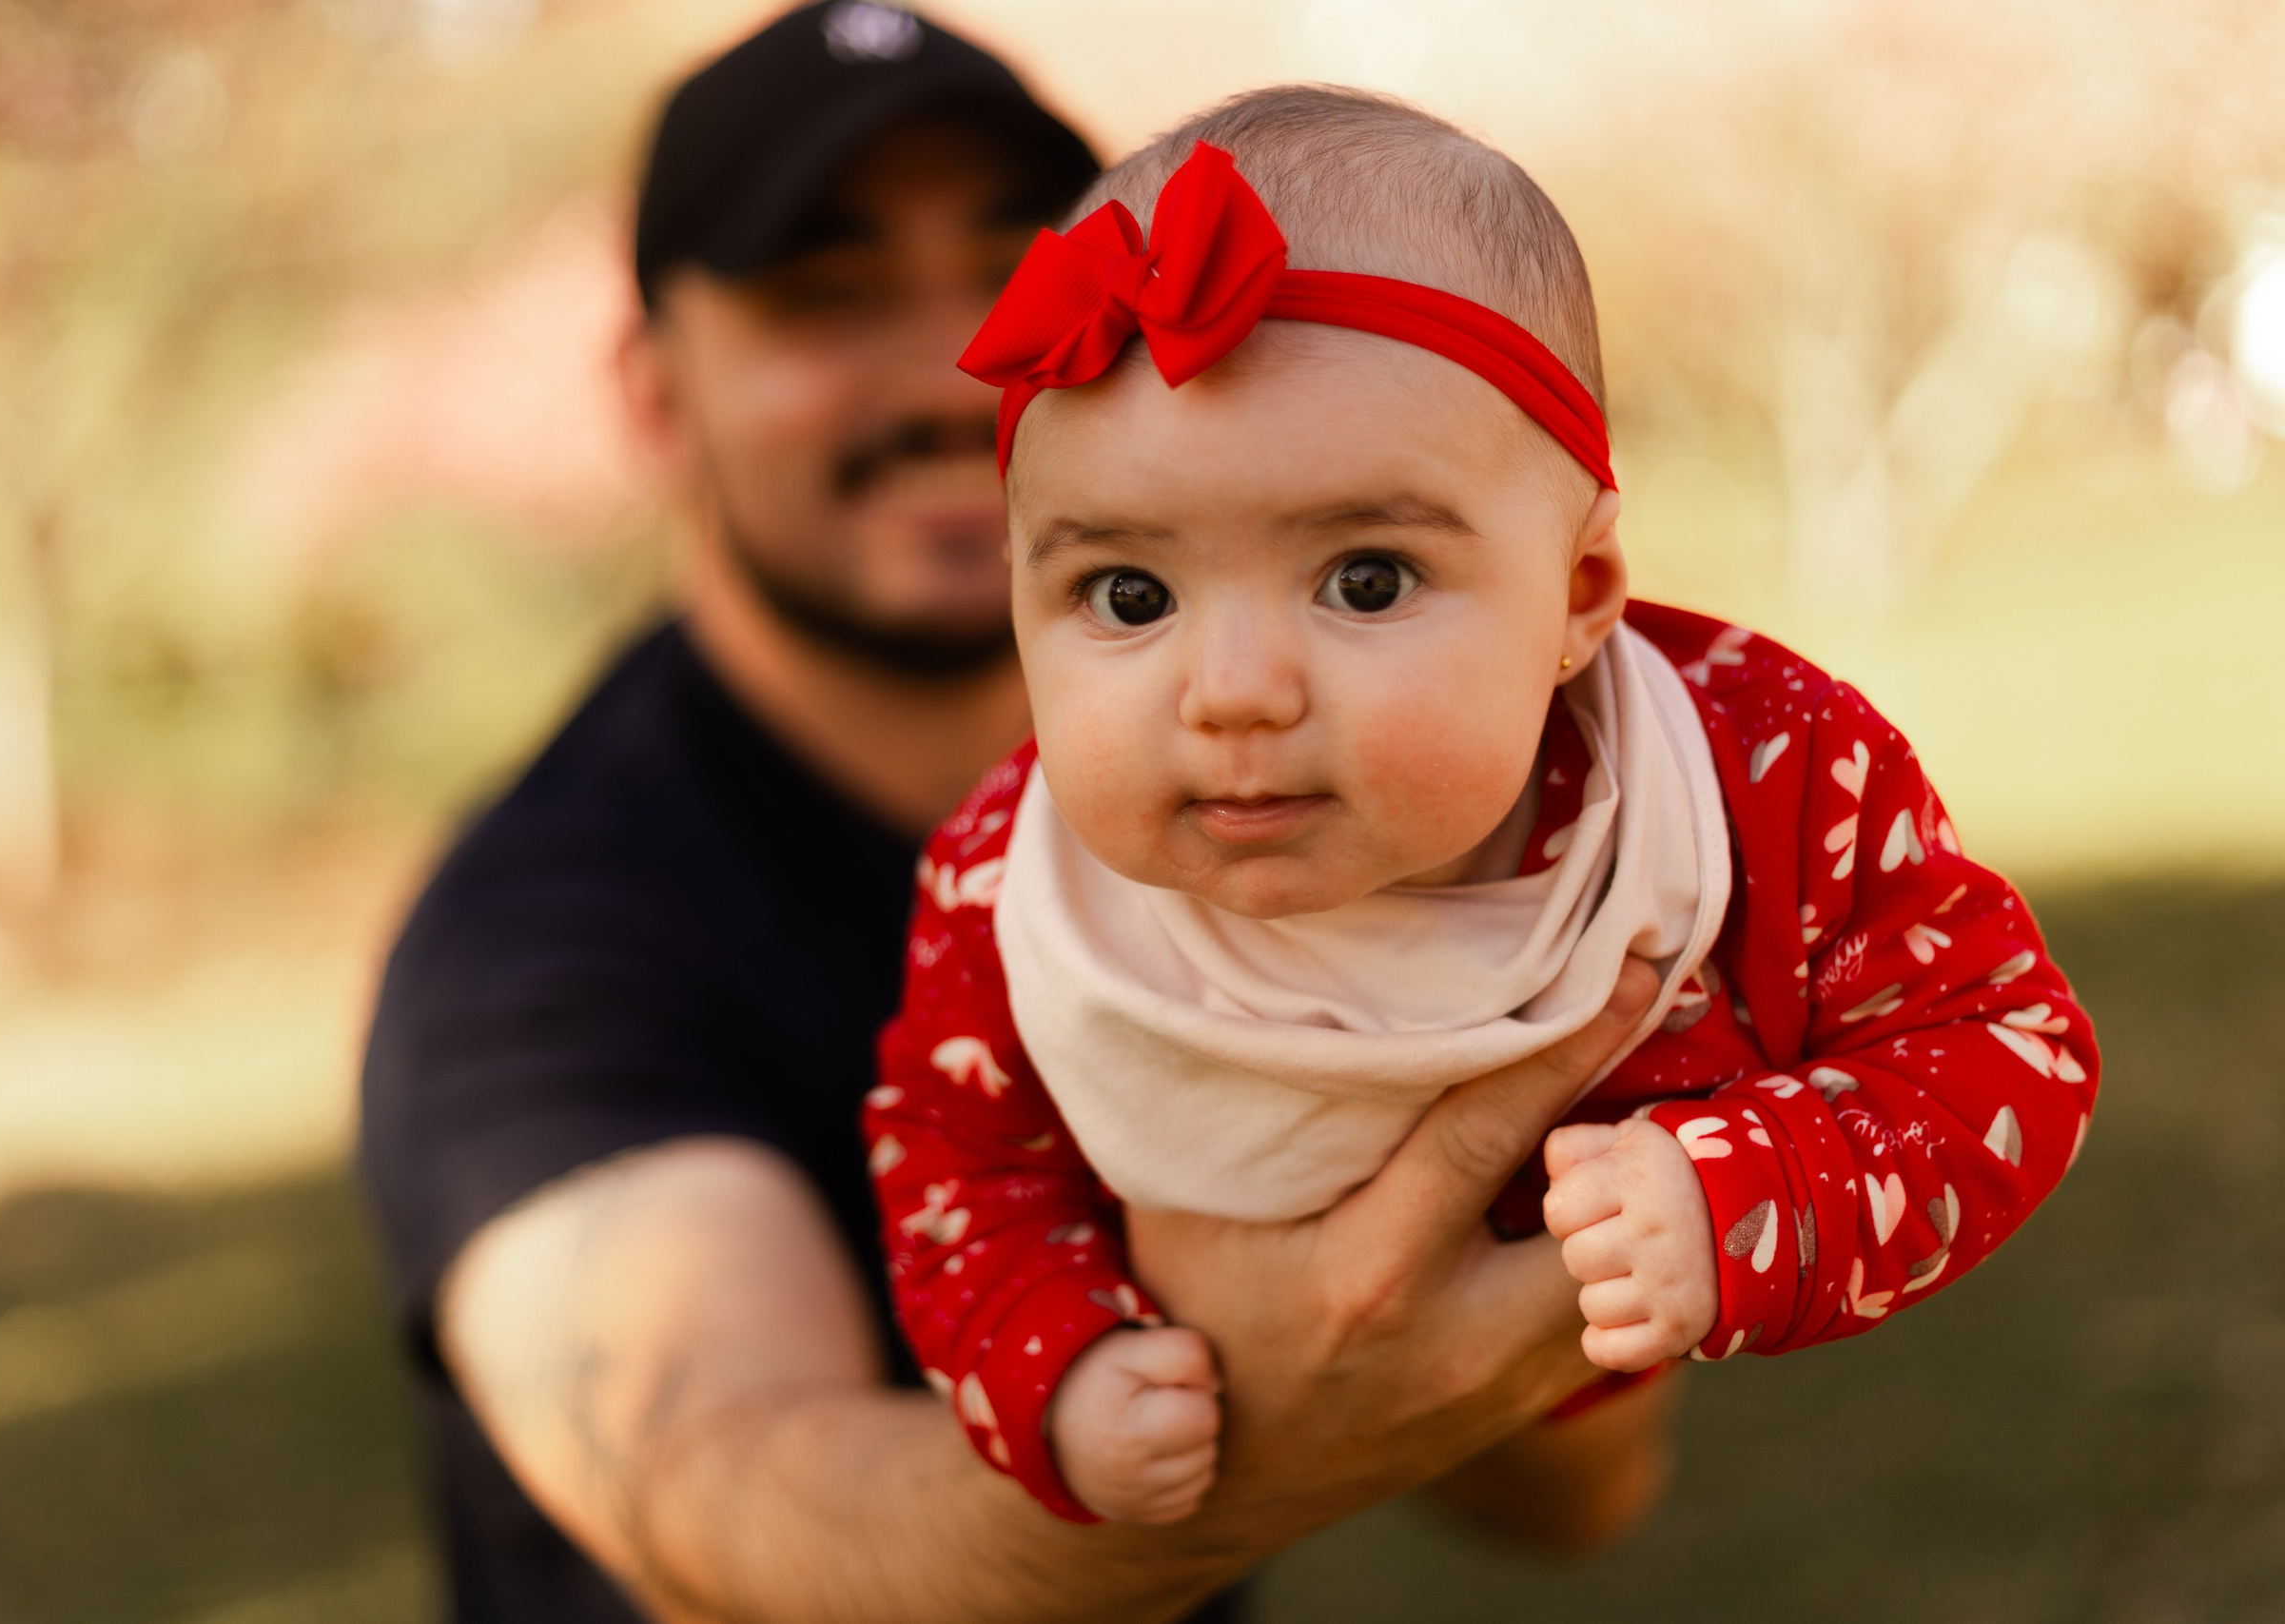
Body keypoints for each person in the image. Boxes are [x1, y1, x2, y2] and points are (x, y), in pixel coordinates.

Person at [359, 10, 1677, 1622]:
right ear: (651, 397)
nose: (943, 364)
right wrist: (1231, 1443)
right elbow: (705, 1468)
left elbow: (1584, 1493)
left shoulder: (1328, 806)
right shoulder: (541, 933)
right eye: (825, 297)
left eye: (1010, 268)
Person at [869, 87, 2099, 1526]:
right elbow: (955, 1163)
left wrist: (1741, 1193)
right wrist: (1053, 1365)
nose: (1237, 692)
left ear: (1578, 593)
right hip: (1225, 1385)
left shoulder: (1758, 769)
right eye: (1128, 596)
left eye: (1366, 580)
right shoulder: (1012, 892)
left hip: (1570, 1380)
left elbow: (2000, 1047)